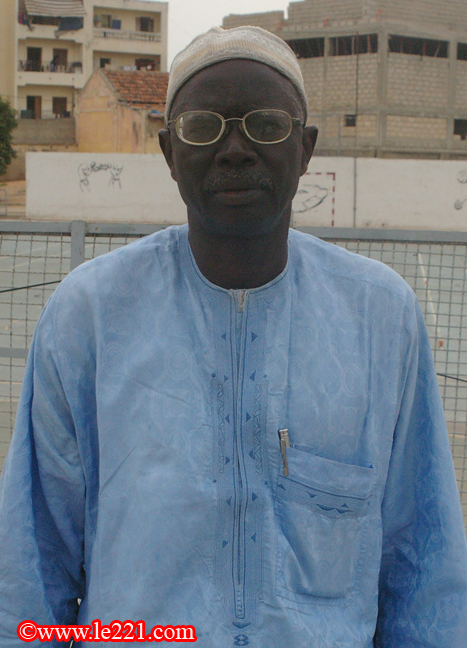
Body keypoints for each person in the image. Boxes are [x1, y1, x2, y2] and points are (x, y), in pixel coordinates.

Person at [0, 26, 466, 648]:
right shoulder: (90, 316)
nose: (236, 149)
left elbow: (424, 567)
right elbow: (33, 563)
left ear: (305, 148)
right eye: (203, 128)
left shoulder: (380, 318)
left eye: (266, 126)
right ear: (169, 152)